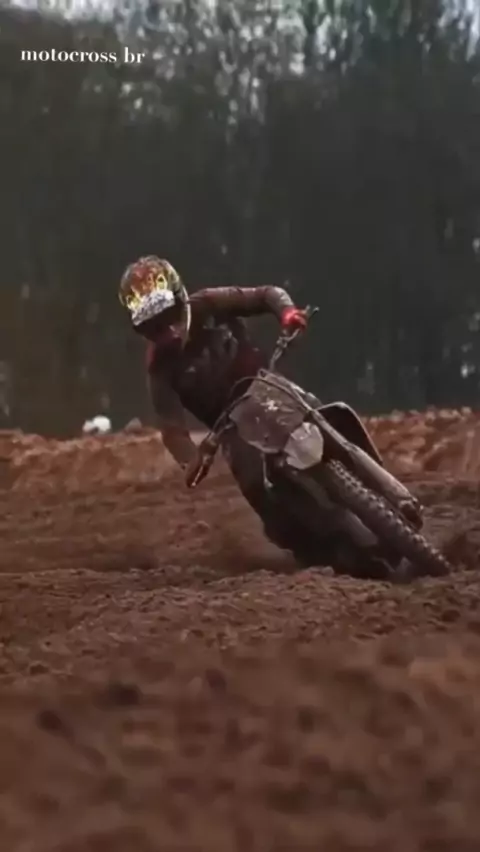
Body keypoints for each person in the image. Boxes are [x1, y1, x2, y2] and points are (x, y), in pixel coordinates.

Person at [118, 255, 324, 560]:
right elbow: (171, 427)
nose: (168, 330)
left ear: (180, 298)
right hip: (231, 426)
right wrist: (191, 460)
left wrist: (287, 312)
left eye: (169, 316)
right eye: (154, 327)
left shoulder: (209, 303)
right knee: (254, 486)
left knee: (320, 412)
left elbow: (265, 295)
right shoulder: (159, 367)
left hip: (267, 384)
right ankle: (303, 545)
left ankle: (370, 469)